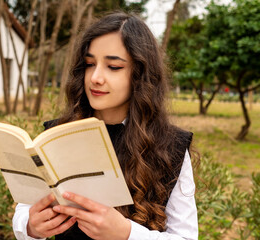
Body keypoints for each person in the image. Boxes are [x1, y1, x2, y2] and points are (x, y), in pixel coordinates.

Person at [13, 12, 198, 240]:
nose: (95, 77)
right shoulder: (57, 134)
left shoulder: (172, 147)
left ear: (140, 75)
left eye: (113, 66)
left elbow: (186, 237)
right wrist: (31, 226)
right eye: (90, 64)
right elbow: (24, 209)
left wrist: (127, 234)